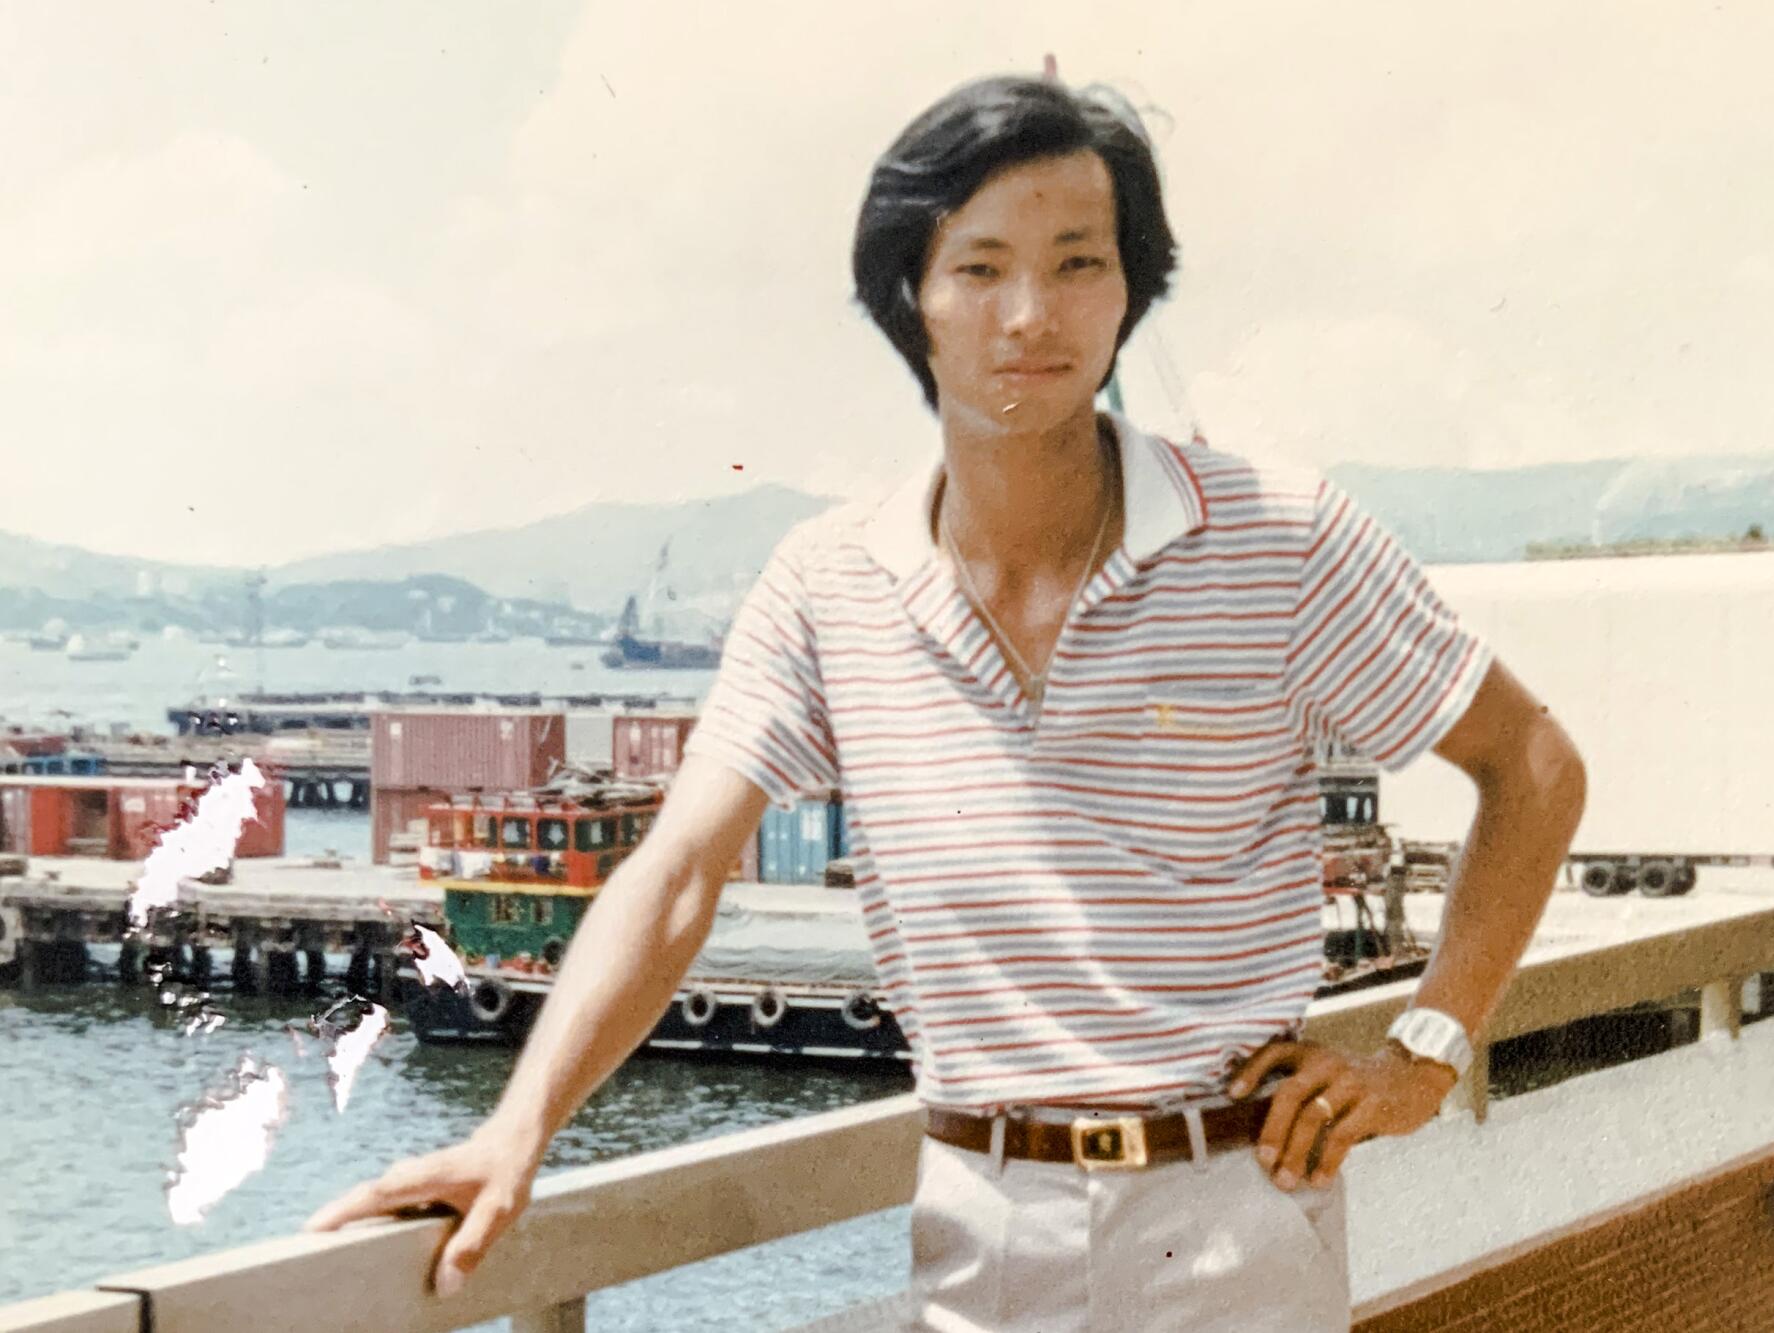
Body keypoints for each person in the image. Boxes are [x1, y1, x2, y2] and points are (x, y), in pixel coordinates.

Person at [305, 72, 1587, 1331]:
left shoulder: (1277, 536)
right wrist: (517, 1129)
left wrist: (1424, 1049)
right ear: (908, 301)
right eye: (978, 268)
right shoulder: (830, 584)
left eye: (1078, 262)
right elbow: (680, 870)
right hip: (978, 1227)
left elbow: (1530, 763)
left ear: (1131, 288)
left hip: (1237, 1216)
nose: (1031, 314)